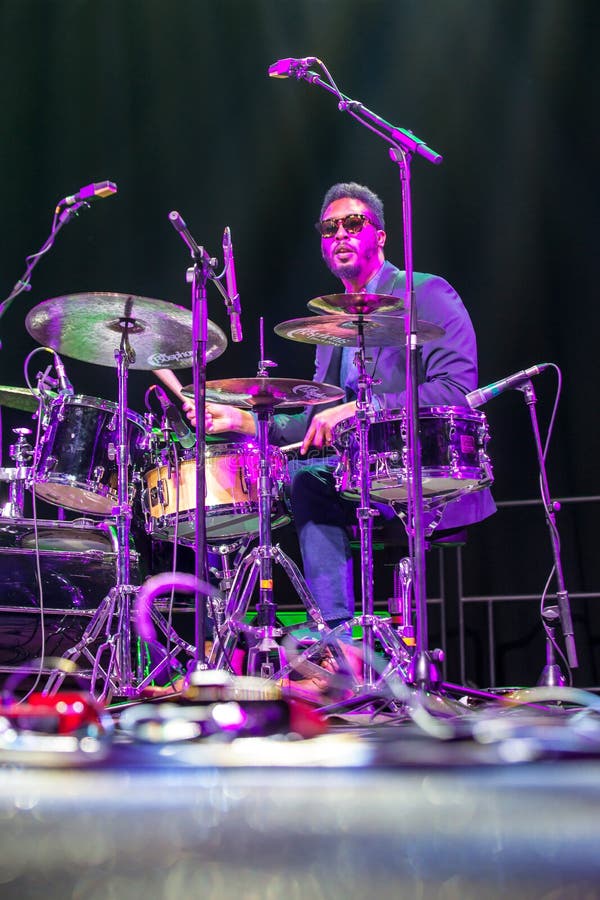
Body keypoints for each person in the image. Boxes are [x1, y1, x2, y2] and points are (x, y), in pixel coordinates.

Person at [158, 182, 495, 633]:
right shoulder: (332, 325)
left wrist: (363, 408)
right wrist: (242, 419)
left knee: (307, 480)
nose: (340, 234)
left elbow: (455, 390)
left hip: (420, 473)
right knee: (273, 483)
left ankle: (335, 639)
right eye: (329, 227)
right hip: (355, 475)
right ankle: (288, 637)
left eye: (353, 223)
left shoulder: (426, 293)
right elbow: (313, 420)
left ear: (380, 235)